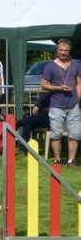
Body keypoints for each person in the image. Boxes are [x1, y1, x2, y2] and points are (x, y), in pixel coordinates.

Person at [41, 38, 81, 167]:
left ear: (69, 51)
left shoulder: (75, 65)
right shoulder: (50, 66)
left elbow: (79, 82)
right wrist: (58, 88)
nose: (63, 53)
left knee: (75, 133)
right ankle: (58, 160)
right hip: (57, 105)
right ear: (57, 50)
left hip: (73, 104)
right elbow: (44, 85)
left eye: (66, 50)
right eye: (61, 50)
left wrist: (78, 98)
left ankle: (71, 160)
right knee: (56, 132)